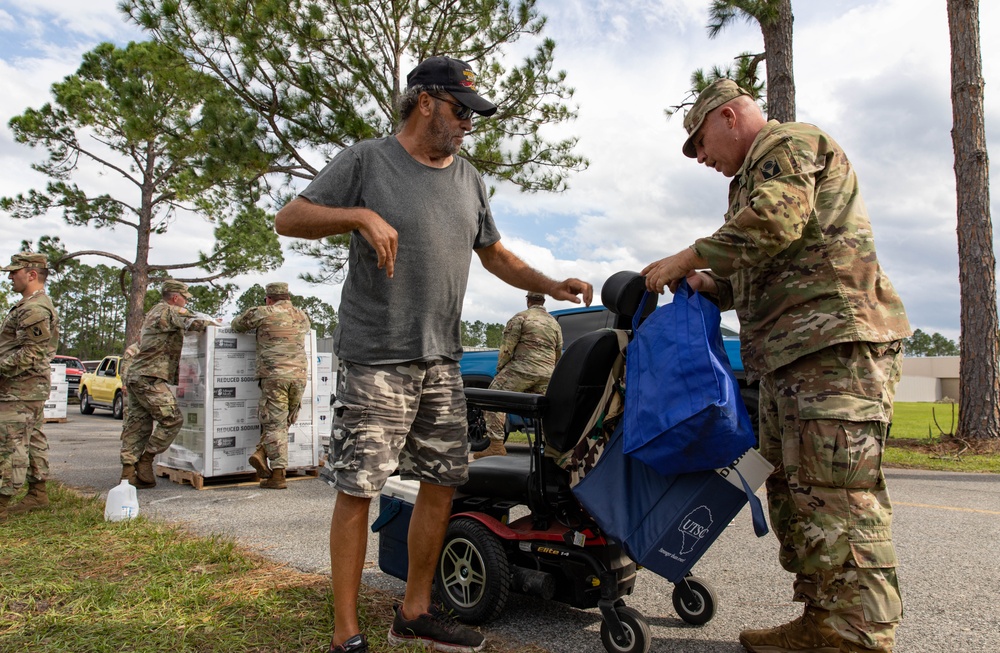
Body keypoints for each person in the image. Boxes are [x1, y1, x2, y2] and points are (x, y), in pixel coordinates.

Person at [274, 55, 593, 653]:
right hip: (377, 357)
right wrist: (360, 215)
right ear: (425, 101)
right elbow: (289, 218)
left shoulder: (467, 176)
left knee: (444, 480)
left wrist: (551, 286)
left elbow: (493, 253)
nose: (467, 125)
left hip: (441, 359)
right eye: (459, 111)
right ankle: (347, 633)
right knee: (359, 486)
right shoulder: (369, 159)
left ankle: (415, 610)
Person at [641, 79, 911, 653]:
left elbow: (778, 221)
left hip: (833, 353)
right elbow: (760, 270)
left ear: (731, 116)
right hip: (789, 362)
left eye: (701, 142)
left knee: (838, 496)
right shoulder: (748, 181)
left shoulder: (785, 144)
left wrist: (688, 255)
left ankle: (858, 637)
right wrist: (708, 284)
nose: (703, 158)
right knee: (796, 494)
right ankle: (823, 622)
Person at [120, 279, 214, 489]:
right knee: (172, 419)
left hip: (138, 377)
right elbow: (195, 322)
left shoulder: (155, 312)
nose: (184, 303)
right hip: (149, 378)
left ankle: (128, 474)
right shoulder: (168, 311)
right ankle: (146, 459)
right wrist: (216, 323)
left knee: (138, 426)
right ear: (175, 297)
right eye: (184, 299)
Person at [231, 281, 311, 490]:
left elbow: (237, 324)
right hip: (299, 376)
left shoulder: (263, 312)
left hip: (275, 376)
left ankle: (277, 474)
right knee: (284, 421)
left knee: (275, 424)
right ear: (287, 296)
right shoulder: (301, 315)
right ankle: (261, 452)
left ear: (269, 298)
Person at [0, 253, 59, 520]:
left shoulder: (34, 308)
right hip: (25, 387)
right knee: (32, 438)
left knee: (10, 443)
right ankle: (37, 493)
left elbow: (31, 354)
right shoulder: (29, 305)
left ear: (31, 274)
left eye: (15, 272)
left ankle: (2, 500)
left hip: (19, 389)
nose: (10, 276)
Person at [474, 291, 563, 459]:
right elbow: (558, 352)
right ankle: (551, 449)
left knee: (492, 398)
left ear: (528, 300)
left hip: (522, 369)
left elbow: (507, 347)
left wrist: (500, 368)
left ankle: (496, 445)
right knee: (546, 411)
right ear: (543, 301)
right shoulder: (554, 323)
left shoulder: (520, 317)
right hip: (547, 372)